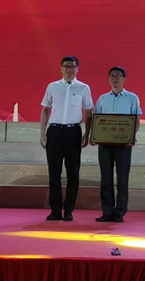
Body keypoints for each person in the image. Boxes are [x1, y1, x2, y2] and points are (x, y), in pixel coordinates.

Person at [40, 56, 94, 221]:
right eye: (66, 66)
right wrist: (42, 133)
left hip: (73, 132)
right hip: (54, 132)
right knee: (54, 173)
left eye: (72, 66)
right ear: (61, 68)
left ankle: (69, 210)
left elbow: (89, 113)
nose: (69, 69)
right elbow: (45, 110)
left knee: (73, 174)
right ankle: (55, 210)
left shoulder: (84, 88)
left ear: (77, 68)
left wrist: (87, 134)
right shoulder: (53, 86)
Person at [93, 66, 142, 223]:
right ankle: (107, 211)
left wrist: (132, 137)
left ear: (124, 79)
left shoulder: (132, 98)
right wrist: (94, 136)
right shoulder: (102, 99)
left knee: (122, 179)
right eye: (112, 76)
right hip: (105, 144)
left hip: (123, 145)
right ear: (109, 79)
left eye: (118, 75)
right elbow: (97, 120)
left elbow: (136, 120)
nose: (115, 78)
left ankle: (119, 212)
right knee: (105, 178)